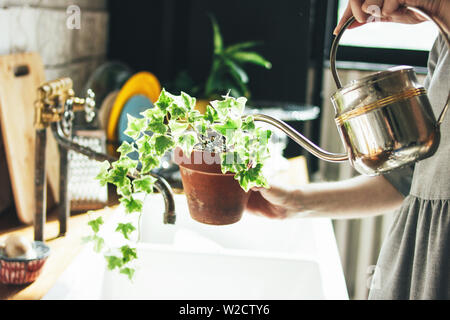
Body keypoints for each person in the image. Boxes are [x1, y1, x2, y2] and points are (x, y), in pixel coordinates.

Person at [247, 0, 450, 300]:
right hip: (417, 255)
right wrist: (295, 202)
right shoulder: (443, 46)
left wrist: (436, 6)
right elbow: (410, 179)